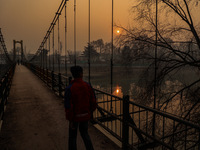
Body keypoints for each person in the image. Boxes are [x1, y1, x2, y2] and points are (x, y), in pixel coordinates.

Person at [64, 66, 97, 150]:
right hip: (85, 115)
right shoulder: (88, 86)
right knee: (85, 134)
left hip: (74, 117)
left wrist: (70, 119)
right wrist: (90, 112)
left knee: (72, 137)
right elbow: (93, 102)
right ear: (81, 74)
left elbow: (68, 106)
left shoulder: (69, 88)